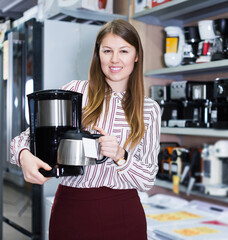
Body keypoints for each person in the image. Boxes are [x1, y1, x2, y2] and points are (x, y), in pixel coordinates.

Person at [10, 18, 161, 240]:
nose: (115, 59)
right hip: (72, 211)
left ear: (136, 56)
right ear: (98, 54)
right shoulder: (74, 93)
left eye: (124, 51)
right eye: (107, 50)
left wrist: (121, 156)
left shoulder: (149, 109)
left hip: (124, 214)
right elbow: (26, 138)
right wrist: (24, 156)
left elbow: (147, 179)